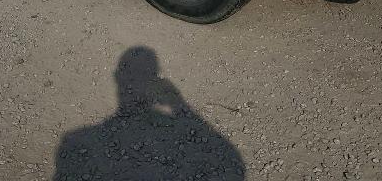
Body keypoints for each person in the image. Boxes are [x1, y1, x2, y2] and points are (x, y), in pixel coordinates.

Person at [54, 46, 245, 180]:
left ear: (117, 77)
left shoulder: (74, 139)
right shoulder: (74, 140)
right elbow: (232, 163)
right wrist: (180, 105)